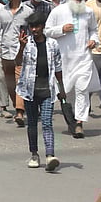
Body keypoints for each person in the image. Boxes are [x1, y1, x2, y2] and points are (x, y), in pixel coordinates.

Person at [45, 0, 99, 138]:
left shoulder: (88, 11)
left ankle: (79, 123)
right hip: (64, 61)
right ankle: (72, 122)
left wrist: (94, 40)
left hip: (84, 58)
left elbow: (94, 29)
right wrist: (61, 29)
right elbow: (47, 31)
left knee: (82, 89)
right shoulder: (58, 11)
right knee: (67, 93)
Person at [16, 13, 64, 171]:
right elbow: (17, 63)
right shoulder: (26, 43)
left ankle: (50, 155)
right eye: (32, 27)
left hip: (47, 91)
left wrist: (61, 89)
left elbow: (57, 68)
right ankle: (34, 154)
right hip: (29, 91)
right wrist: (21, 47)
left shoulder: (53, 44)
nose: (34, 29)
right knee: (32, 124)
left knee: (47, 123)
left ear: (43, 27)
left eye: (37, 26)